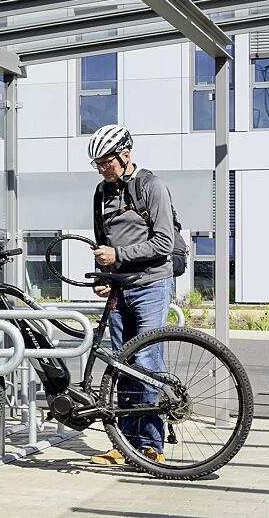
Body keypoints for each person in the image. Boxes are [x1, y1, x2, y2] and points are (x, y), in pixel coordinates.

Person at [87, 124, 174, 466]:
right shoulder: (101, 192)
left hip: (151, 284)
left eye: (106, 161)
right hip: (119, 289)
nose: (102, 168)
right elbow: (101, 244)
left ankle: (152, 446)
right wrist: (104, 276)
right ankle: (124, 444)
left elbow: (164, 243)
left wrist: (118, 257)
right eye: (97, 163)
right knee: (121, 366)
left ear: (125, 154)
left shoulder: (152, 186)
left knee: (146, 363)